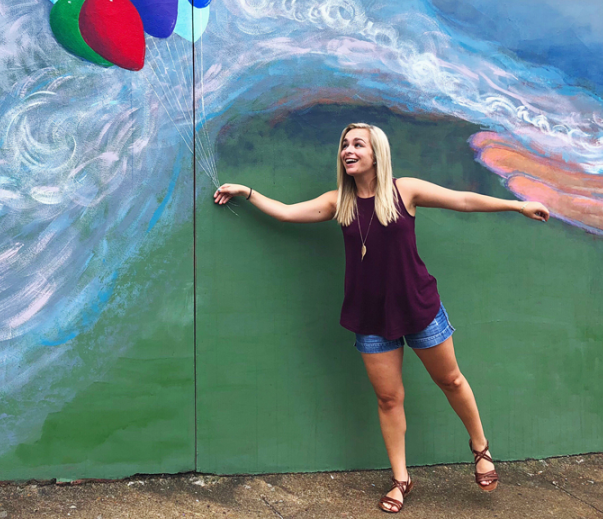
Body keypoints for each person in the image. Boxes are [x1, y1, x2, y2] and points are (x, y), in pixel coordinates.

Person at [213, 122, 549, 513]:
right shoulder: (339, 200)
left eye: (358, 144)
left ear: (377, 154)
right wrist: (247, 191)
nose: (348, 150)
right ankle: (401, 479)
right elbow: (288, 213)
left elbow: (462, 200)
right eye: (344, 144)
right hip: (370, 317)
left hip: (419, 306)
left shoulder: (405, 190)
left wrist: (517, 205)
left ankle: (480, 447)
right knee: (389, 399)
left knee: (451, 380)